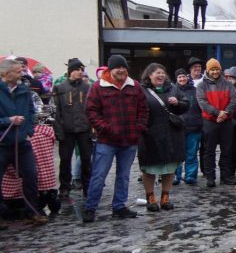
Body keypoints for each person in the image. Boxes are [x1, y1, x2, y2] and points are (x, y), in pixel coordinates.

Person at [82, 54, 148, 223]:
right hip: (106, 141)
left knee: (124, 175)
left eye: (124, 67)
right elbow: (91, 111)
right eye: (118, 67)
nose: (121, 70)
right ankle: (90, 208)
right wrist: (105, 128)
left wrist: (139, 128)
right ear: (110, 69)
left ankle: (119, 206)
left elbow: (143, 110)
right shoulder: (98, 87)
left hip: (129, 140)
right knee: (99, 175)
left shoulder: (135, 86)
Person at [0, 58, 48, 225]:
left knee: (31, 175)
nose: (22, 74)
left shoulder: (24, 90)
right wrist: (7, 121)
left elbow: (30, 111)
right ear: (5, 74)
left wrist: (29, 131)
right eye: (18, 71)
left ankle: (32, 212)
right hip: (2, 143)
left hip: (22, 143)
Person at [137, 63, 186, 212]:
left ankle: (165, 197)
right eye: (158, 73)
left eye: (163, 73)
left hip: (171, 134)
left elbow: (186, 104)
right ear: (149, 75)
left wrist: (178, 103)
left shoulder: (172, 88)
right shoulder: (141, 90)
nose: (161, 75)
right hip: (149, 135)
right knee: (149, 168)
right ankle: (150, 197)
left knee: (169, 167)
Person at [50, 58, 92, 198]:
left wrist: (92, 129)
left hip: (84, 129)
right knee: (65, 160)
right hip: (66, 130)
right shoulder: (60, 88)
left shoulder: (87, 88)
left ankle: (87, 186)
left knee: (86, 159)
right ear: (70, 71)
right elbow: (56, 111)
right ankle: (64, 186)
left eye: (82, 70)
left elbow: (92, 109)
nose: (80, 72)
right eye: (77, 70)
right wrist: (58, 131)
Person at [196, 60, 236, 187]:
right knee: (209, 150)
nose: (215, 72)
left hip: (226, 121)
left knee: (227, 150)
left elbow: (233, 100)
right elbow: (202, 103)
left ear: (220, 70)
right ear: (208, 71)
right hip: (210, 121)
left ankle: (225, 176)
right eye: (212, 69)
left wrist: (225, 113)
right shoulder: (201, 86)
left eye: (217, 69)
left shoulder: (228, 84)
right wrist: (218, 113)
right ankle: (210, 177)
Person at [173, 68, 203, 185]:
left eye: (183, 76)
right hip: (177, 127)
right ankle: (175, 176)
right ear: (176, 79)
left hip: (194, 126)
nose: (182, 79)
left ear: (187, 77)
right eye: (179, 77)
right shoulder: (172, 91)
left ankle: (190, 176)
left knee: (192, 153)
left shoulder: (195, 90)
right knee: (177, 153)